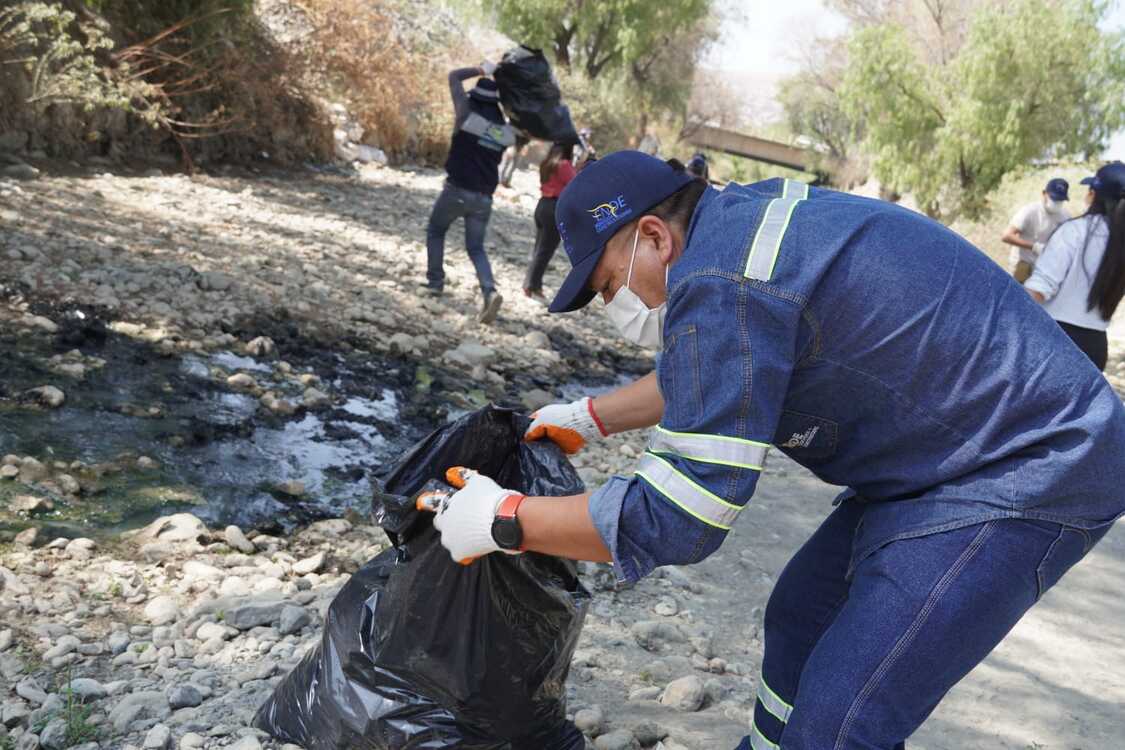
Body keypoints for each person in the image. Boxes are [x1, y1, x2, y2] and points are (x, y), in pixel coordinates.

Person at [429, 151, 1125, 749]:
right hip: (944, 457)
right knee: (802, 615)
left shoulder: (722, 281)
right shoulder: (735, 231)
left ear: (651, 235)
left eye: (608, 285)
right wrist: (590, 417)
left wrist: (507, 520)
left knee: (843, 720)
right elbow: (726, 370)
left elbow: (680, 516)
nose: (614, 305)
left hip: (1029, 467)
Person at [422, 61, 513, 324]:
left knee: (436, 231)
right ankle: (489, 291)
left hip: (457, 190)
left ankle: (435, 283)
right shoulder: (505, 131)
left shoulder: (465, 113)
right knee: (475, 247)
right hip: (484, 198)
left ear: (475, 96)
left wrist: (482, 69)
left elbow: (453, 76)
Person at [1024, 161, 1125, 371]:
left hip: (1055, 341)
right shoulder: (1120, 244)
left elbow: (1040, 289)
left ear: (1094, 194)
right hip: (1096, 349)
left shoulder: (1075, 231)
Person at [523, 142, 577, 303]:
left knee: (538, 248)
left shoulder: (546, 163)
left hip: (542, 205)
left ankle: (529, 284)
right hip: (555, 208)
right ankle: (533, 287)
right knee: (545, 251)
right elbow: (575, 184)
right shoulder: (564, 165)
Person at [1001, 177, 1071, 283]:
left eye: (1060, 200)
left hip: (1046, 268)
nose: (1056, 203)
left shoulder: (1065, 217)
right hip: (1023, 264)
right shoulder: (1030, 211)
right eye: (1054, 199)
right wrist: (1034, 247)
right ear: (1044, 194)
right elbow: (1006, 236)